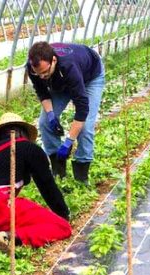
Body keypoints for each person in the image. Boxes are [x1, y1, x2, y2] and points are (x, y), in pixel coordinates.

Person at [0, 112, 72, 252]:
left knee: (21, 216)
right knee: (61, 227)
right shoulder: (28, 148)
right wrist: (63, 215)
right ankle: (5, 236)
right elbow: (47, 186)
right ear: (25, 133)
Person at [27, 41, 105, 184]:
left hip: (90, 78)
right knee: (44, 123)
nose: (42, 77)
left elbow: (82, 108)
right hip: (60, 82)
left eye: (45, 72)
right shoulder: (33, 68)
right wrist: (51, 115)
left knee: (86, 127)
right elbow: (42, 92)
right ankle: (58, 169)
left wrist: (69, 141)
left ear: (54, 60)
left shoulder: (69, 66)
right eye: (39, 74)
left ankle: (81, 175)